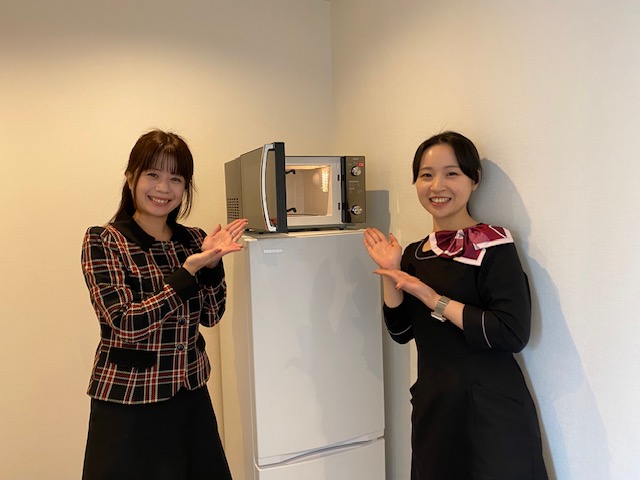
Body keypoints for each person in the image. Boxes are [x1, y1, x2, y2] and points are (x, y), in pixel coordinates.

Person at [363, 131, 548, 480]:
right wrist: (391, 271)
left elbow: (511, 333)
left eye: (451, 173)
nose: (437, 186)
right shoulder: (415, 254)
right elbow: (401, 332)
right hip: (436, 408)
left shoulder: (494, 245)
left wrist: (432, 298)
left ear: (474, 179)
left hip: (492, 408)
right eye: (426, 175)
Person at [80, 129, 247, 480]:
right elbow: (125, 323)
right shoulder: (105, 240)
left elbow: (212, 315)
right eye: (153, 174)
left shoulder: (194, 240)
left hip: (189, 396)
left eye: (176, 179)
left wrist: (211, 265)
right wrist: (186, 273)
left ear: (185, 187)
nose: (163, 188)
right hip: (129, 402)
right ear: (131, 179)